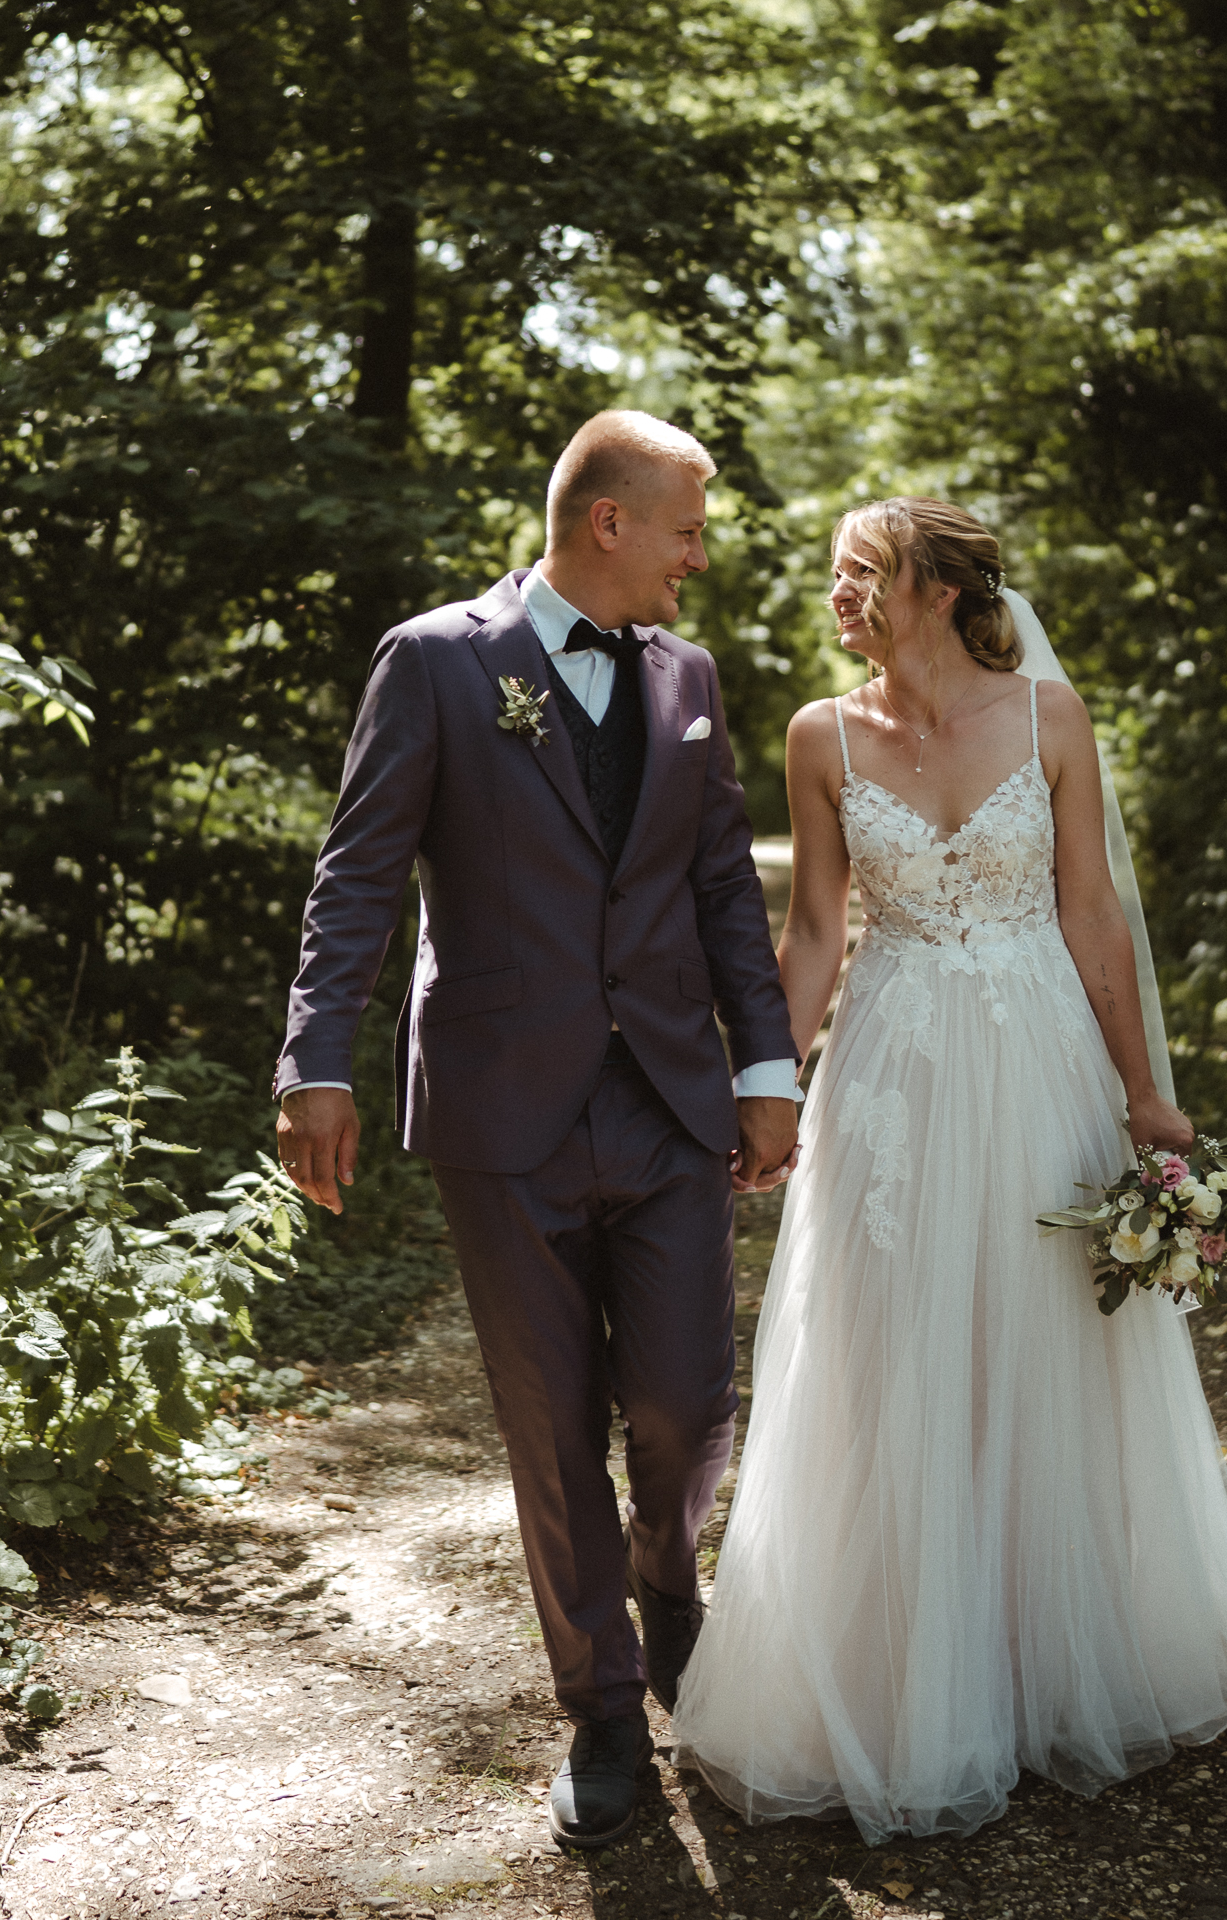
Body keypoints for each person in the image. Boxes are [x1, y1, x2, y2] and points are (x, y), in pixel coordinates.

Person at [671, 497, 1227, 1844]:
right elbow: (821, 930)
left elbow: (1090, 912)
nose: (841, 595)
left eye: (864, 574)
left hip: (1040, 1064)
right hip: (891, 1072)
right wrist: (766, 1083)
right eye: (835, 576)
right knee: (894, 1346)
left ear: (941, 588)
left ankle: (1046, 1646)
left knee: (1042, 1334)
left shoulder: (1049, 721)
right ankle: (907, 1664)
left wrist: (1145, 1095)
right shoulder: (820, 736)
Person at [271, 411, 801, 1848]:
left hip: (672, 1099)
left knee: (688, 1401)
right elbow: (360, 873)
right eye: (687, 528)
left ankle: (669, 1583)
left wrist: (769, 1066)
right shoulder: (438, 661)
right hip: (506, 1105)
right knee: (551, 1428)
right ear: (609, 522)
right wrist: (316, 1060)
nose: (701, 556)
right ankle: (606, 1712)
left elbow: (720, 894)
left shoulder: (689, 676)